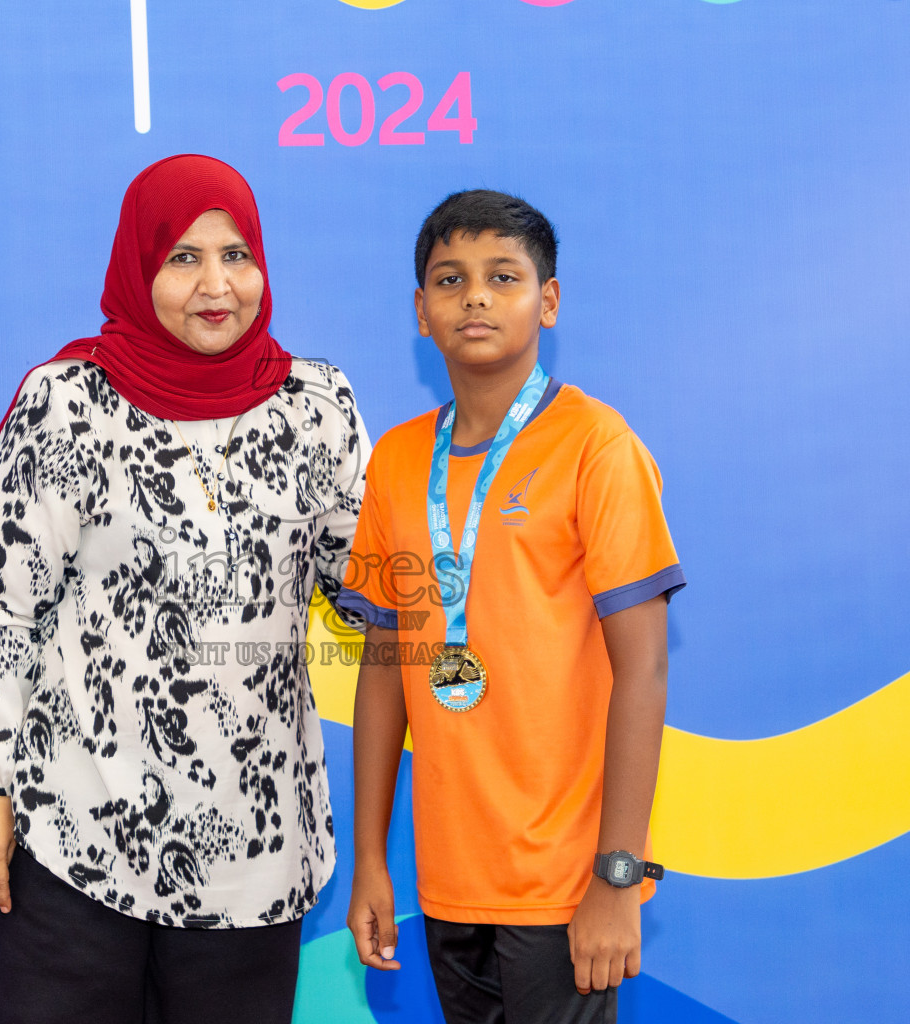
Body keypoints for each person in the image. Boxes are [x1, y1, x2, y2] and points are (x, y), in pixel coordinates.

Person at [0, 154, 366, 1024]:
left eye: (237, 255)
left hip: (255, 846)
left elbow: (364, 580)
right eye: (183, 258)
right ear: (139, 269)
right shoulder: (69, 404)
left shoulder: (315, 406)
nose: (217, 285)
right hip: (73, 832)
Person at [338, 190, 684, 1024]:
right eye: (450, 280)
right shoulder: (396, 459)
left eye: (504, 276)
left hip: (566, 883)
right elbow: (385, 669)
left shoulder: (597, 447)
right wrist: (372, 862)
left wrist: (617, 878)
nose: (477, 297)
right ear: (422, 313)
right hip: (449, 878)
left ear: (549, 301)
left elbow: (644, 670)